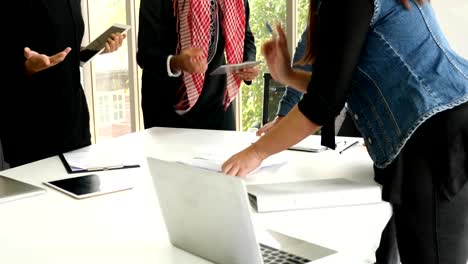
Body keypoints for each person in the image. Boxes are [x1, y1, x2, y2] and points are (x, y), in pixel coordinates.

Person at [222, 0, 468, 263]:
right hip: (442, 127)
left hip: (435, 138)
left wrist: (257, 152)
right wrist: (288, 75)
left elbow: (322, 106)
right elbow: (340, 84)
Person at [1, 1, 126, 167]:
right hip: (31, 126)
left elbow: (63, 49)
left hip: (74, 121)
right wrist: (27, 67)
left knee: (84, 187)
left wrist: (96, 49)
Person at [137, 0, 259, 131]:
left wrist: (248, 64)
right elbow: (145, 54)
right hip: (167, 106)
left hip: (217, 102)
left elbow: (245, 36)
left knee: (227, 152)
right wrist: (177, 63)